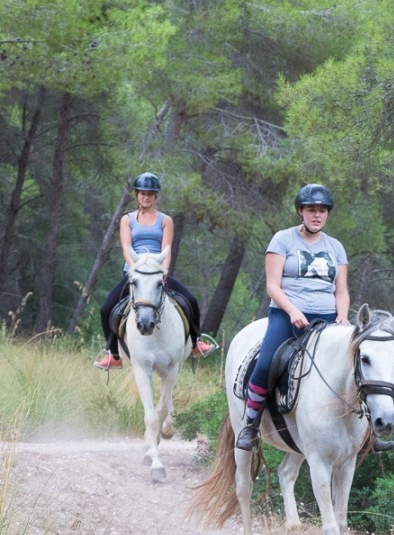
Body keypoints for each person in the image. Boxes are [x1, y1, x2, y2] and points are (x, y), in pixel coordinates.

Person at [236, 182, 350, 450]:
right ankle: (250, 426)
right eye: (311, 209)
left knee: (361, 362)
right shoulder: (283, 239)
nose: (317, 215)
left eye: (322, 210)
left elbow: (342, 290)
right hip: (287, 314)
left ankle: (369, 429)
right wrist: (292, 311)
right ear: (300, 211)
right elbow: (272, 286)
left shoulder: (336, 247)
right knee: (264, 365)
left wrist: (342, 316)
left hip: (328, 318)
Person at [94, 172, 215, 369]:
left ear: (156, 196)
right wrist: (135, 269)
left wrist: (164, 270)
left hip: (157, 272)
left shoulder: (165, 220)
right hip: (135, 272)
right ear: (137, 195)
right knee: (106, 308)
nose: (146, 197)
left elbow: (167, 248)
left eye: (150, 194)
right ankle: (114, 355)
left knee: (191, 300)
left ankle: (195, 343)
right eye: (142, 193)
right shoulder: (127, 220)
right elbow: (126, 247)